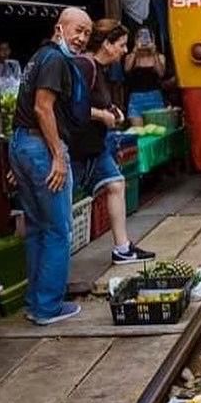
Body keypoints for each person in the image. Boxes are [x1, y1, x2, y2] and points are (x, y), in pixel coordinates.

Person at [9, 8, 92, 326]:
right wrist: (58, 155)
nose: (82, 38)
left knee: (37, 228)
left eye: (87, 33)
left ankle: (35, 303)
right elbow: (42, 108)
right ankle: (48, 308)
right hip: (41, 147)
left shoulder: (39, 57)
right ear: (60, 29)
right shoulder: (55, 60)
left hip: (23, 143)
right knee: (58, 230)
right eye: (78, 30)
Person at [70, 21, 155, 266]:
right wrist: (102, 115)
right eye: (121, 44)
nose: (125, 50)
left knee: (116, 184)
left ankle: (122, 248)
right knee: (61, 204)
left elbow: (96, 102)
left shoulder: (101, 69)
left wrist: (112, 110)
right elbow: (70, 106)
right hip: (76, 148)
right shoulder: (84, 66)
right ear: (107, 44)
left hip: (95, 145)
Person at [124, 28, 167, 126]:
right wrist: (135, 51)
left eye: (146, 38)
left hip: (155, 97)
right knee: (137, 131)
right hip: (136, 98)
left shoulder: (160, 57)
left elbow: (161, 73)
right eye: (141, 37)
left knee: (156, 130)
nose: (144, 41)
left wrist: (154, 53)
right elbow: (127, 69)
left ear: (152, 39)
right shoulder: (131, 57)